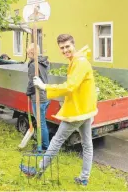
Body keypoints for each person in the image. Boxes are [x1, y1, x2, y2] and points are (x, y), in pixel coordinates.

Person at [20, 34, 98, 186]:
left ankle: (38, 170)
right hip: (85, 109)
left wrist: (44, 86)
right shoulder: (76, 60)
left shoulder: (80, 63)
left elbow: (70, 86)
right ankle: (84, 178)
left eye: (67, 46)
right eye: (62, 48)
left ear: (73, 45)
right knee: (87, 144)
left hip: (78, 112)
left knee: (56, 141)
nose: (65, 50)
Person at [26, 43, 50, 150]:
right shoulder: (45, 62)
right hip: (45, 96)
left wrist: (28, 92)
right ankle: (43, 144)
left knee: (41, 124)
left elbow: (32, 83)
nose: (27, 55)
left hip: (38, 98)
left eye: (28, 53)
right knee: (43, 122)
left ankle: (44, 147)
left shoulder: (33, 65)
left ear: (31, 52)